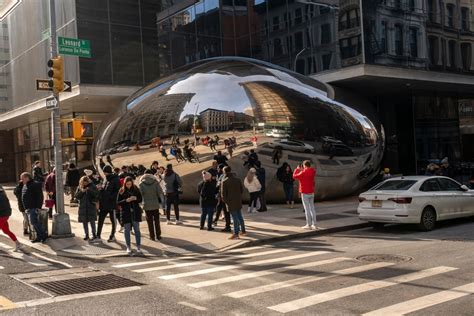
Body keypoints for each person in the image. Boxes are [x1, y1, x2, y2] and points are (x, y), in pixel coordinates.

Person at [117, 177, 143, 255]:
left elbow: (140, 199)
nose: (129, 186)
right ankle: (128, 247)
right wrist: (126, 200)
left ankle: (138, 247)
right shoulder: (121, 190)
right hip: (126, 213)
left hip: (135, 212)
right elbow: (118, 202)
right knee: (127, 230)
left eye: (130, 184)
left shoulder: (136, 189)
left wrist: (135, 198)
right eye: (127, 184)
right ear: (125, 184)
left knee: (137, 230)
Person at [21, 172, 47, 243]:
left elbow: (40, 196)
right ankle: (39, 236)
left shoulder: (35, 184)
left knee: (34, 221)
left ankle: (43, 234)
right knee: (33, 222)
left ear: (27, 178)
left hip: (34, 207)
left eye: (22, 179)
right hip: (28, 208)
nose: (21, 180)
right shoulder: (25, 185)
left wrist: (38, 207)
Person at [221, 166, 246, 240]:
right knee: (239, 216)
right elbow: (241, 190)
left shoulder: (224, 181)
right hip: (238, 201)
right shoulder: (237, 179)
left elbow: (223, 195)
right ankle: (243, 231)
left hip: (230, 202)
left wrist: (227, 202)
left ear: (224, 172)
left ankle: (236, 234)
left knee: (235, 218)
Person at [97, 165, 119, 242]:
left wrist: (110, 197)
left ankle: (112, 236)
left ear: (109, 172)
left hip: (111, 204)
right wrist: (101, 189)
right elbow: (104, 188)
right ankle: (98, 235)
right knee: (100, 220)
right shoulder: (105, 179)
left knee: (113, 221)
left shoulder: (116, 179)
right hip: (104, 203)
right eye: (104, 172)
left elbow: (117, 191)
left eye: (105, 172)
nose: (105, 173)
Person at [293, 160, 317, 230]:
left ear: (304, 165)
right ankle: (314, 225)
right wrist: (302, 170)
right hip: (311, 192)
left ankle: (308, 225)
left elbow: (294, 176)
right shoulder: (313, 171)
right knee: (312, 208)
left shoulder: (302, 172)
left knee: (307, 209)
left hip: (304, 192)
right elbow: (307, 172)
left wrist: (297, 169)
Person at [139, 169, 163, 241]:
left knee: (149, 222)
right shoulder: (155, 182)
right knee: (156, 221)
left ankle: (152, 236)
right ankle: (158, 235)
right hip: (155, 204)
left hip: (146, 205)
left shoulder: (141, 184)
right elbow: (160, 192)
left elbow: (140, 195)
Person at [76, 176, 100, 241]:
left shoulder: (92, 186)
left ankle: (94, 234)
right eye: (83, 182)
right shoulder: (80, 187)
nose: (85, 184)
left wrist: (89, 190)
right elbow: (77, 196)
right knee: (84, 222)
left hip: (91, 206)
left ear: (88, 181)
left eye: (86, 182)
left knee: (92, 221)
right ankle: (86, 235)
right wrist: (82, 191)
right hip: (83, 207)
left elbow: (97, 194)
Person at [0, 185, 22, 251]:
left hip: (2, 215)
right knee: (6, 230)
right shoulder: (2, 194)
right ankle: (18, 243)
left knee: (6, 231)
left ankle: (18, 244)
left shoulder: (1, 196)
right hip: (5, 215)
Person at [213, 164, 232, 232]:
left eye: (218, 168)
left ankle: (227, 226)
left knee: (226, 211)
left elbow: (218, 185)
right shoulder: (233, 176)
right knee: (219, 208)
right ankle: (216, 220)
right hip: (224, 196)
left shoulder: (222, 176)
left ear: (223, 170)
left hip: (223, 196)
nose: (217, 169)